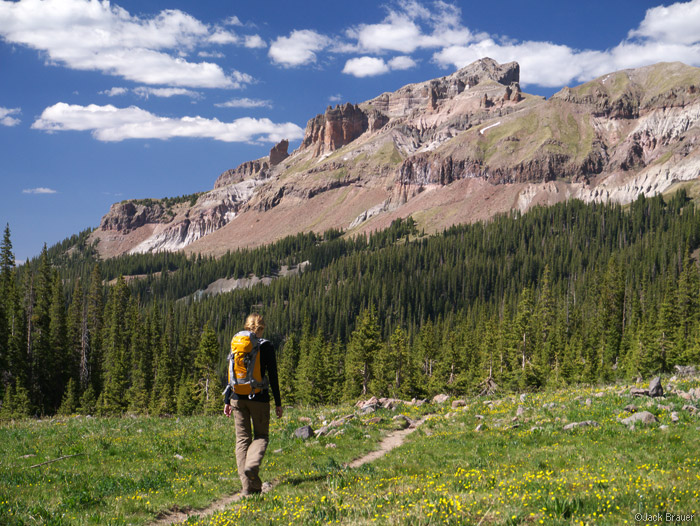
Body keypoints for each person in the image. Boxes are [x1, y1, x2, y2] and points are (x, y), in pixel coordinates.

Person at [223, 313, 283, 496]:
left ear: (246, 326)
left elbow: (232, 372)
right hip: (259, 397)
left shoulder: (237, 342)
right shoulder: (266, 346)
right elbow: (272, 375)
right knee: (261, 436)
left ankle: (248, 488)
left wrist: (227, 400)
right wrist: (278, 403)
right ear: (262, 328)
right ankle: (252, 467)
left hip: (237, 397)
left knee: (242, 440)